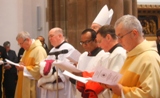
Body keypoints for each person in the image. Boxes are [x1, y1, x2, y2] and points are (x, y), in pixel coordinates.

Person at [104, 15, 160, 98]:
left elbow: (151, 94)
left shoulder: (149, 58)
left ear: (134, 33)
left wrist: (121, 90)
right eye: (117, 37)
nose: (118, 41)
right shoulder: (132, 54)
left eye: (121, 36)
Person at [38, 27, 76, 98]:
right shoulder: (53, 49)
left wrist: (55, 76)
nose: (49, 39)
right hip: (52, 84)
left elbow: (70, 68)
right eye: (49, 37)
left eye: (51, 36)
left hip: (63, 85)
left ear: (60, 36)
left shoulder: (68, 48)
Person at [14, 31, 47, 98]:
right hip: (25, 82)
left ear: (28, 40)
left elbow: (40, 69)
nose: (20, 46)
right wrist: (20, 64)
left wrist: (24, 68)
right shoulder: (26, 50)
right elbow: (22, 61)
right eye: (19, 44)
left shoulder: (39, 50)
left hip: (34, 85)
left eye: (21, 43)